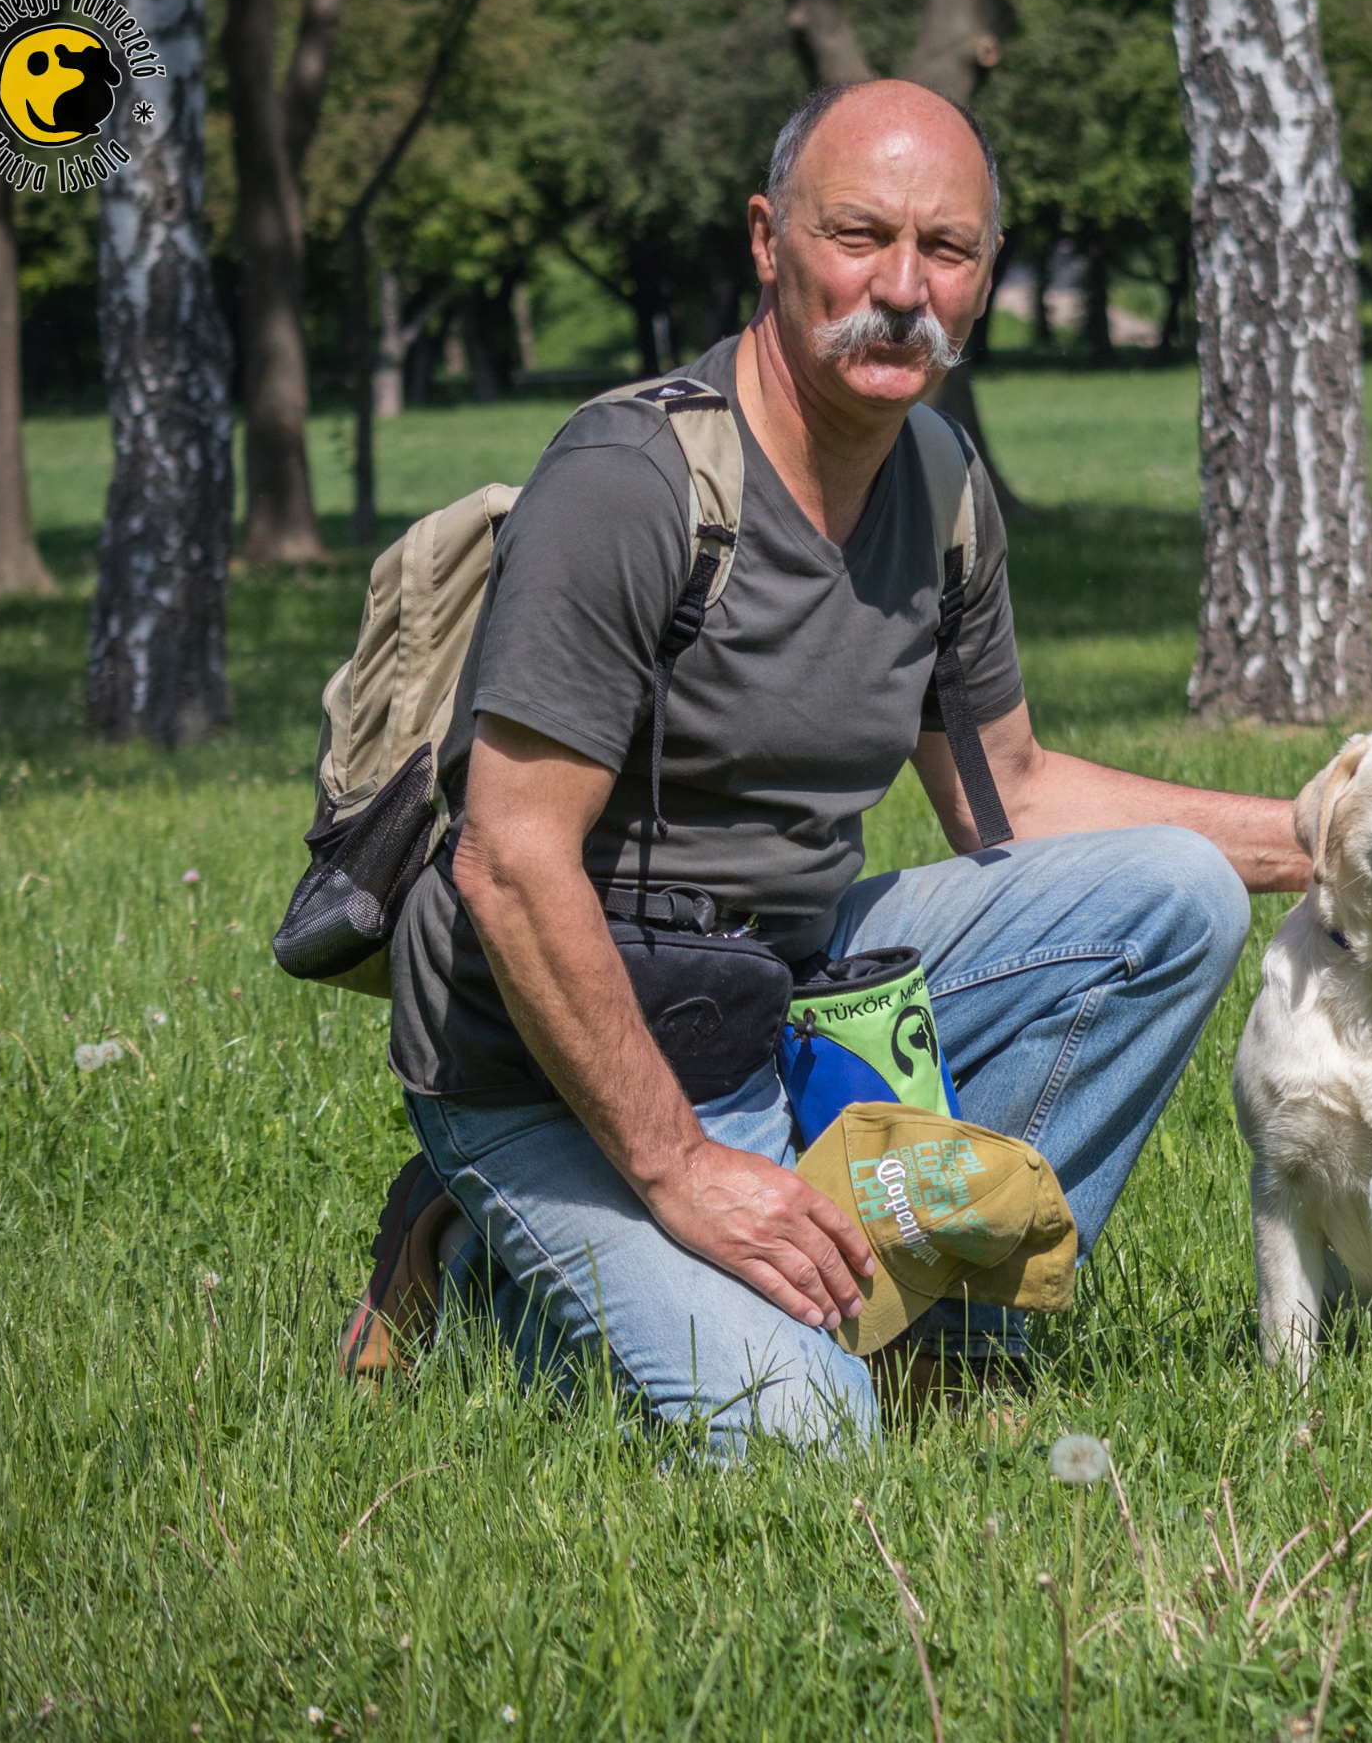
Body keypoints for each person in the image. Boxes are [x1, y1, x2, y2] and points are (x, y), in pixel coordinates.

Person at [345, 79, 1304, 1453]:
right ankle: (477, 1257)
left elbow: (1008, 797)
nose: (903, 287)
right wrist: (682, 1170)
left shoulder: (941, 480)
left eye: (948, 249)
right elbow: (509, 859)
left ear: (981, 280)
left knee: (1176, 895)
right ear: (767, 240)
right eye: (859, 236)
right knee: (799, 1431)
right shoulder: (633, 483)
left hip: (781, 991)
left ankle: (947, 1334)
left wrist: (1328, 834)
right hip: (553, 1049)